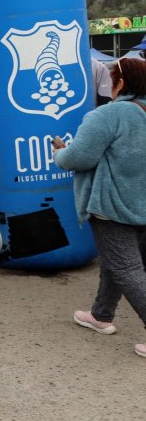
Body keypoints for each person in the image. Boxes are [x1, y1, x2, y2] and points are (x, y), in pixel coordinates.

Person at [55, 58, 146, 358]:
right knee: (115, 263)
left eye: (111, 78)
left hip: (112, 204)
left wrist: (60, 153)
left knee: (127, 268)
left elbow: (78, 158)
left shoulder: (107, 115)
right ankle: (101, 315)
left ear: (120, 83)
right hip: (142, 202)